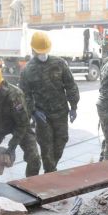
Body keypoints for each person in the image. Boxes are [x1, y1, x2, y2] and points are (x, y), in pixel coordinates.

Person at [19, 31, 80, 173]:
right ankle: (50, 173)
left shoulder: (60, 63)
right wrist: (33, 111)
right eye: (40, 51)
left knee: (62, 140)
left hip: (60, 112)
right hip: (42, 116)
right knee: (46, 147)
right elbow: (24, 95)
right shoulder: (27, 70)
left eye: (45, 50)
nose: (42, 54)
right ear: (33, 50)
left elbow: (70, 85)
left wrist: (74, 107)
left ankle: (51, 169)